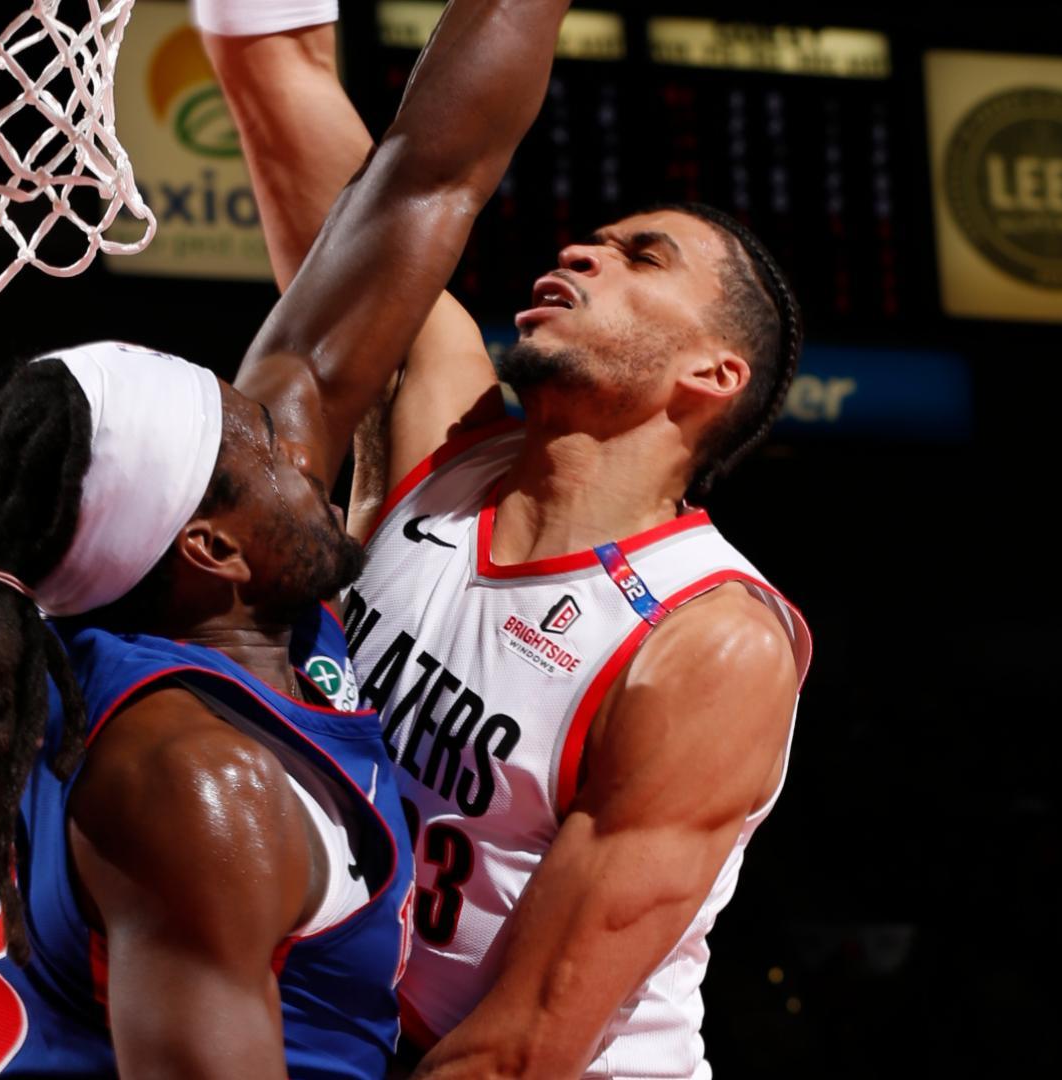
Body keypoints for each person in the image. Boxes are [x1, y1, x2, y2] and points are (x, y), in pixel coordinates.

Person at [0, 1, 572, 1075]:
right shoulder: (195, 785)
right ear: (211, 549)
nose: (301, 432)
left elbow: (425, 178)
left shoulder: (198, 594)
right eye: (265, 444)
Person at [205, 9, 814, 1077]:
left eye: (642, 257)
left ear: (712, 375)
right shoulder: (445, 437)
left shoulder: (710, 641)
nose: (583, 248)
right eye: (597, 239)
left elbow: (524, 1045)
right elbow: (311, 130)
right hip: (361, 1033)